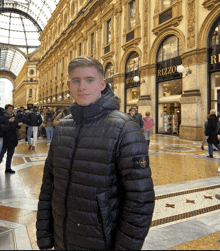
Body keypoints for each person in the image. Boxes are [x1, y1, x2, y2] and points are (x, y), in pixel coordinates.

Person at [36, 56, 155, 250]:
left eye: (89, 80)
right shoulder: (63, 127)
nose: (82, 87)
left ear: (102, 84)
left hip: (101, 242)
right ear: (69, 85)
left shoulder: (125, 128)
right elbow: (49, 186)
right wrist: (44, 235)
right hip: (62, 240)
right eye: (76, 80)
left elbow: (140, 200)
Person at [0, 104, 23, 173]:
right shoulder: (2, 117)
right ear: (6, 110)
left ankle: (8, 168)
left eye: (12, 109)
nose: (11, 110)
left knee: (10, 155)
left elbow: (15, 126)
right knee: (1, 155)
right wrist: (9, 122)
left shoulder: (15, 117)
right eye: (9, 109)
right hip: (4, 139)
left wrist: (18, 125)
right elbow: (2, 128)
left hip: (12, 139)